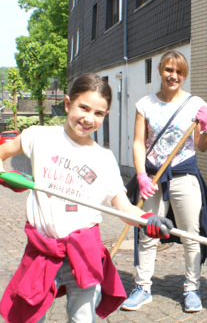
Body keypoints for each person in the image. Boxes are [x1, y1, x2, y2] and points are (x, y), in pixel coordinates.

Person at [0, 73, 173, 323]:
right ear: (69, 104)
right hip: (42, 251)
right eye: (83, 107)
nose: (89, 118)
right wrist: (6, 176)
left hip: (83, 256)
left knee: (83, 319)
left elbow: (123, 208)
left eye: (99, 113)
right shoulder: (39, 136)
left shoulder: (103, 159)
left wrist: (148, 219)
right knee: (29, 317)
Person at [121, 50, 207, 313]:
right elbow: (138, 143)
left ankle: (192, 289)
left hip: (185, 175)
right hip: (152, 177)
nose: (174, 76)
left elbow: (203, 147)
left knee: (189, 234)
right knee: (147, 232)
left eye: (179, 71)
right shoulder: (145, 104)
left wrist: (205, 128)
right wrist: (140, 175)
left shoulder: (196, 104)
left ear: (184, 74)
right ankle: (142, 287)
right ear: (160, 70)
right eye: (169, 70)